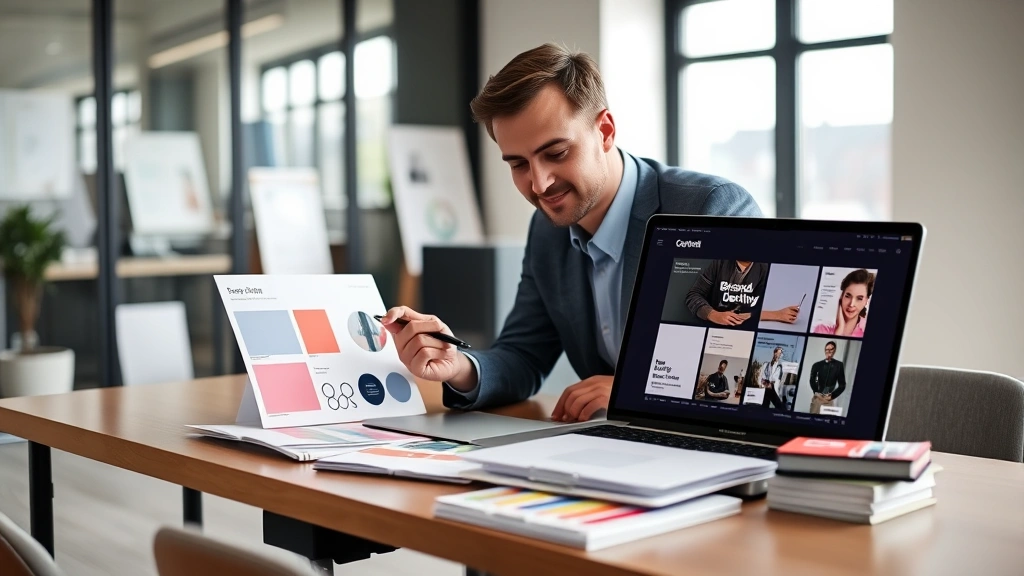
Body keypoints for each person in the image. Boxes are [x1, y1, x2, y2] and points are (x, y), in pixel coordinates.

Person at [379, 43, 762, 423]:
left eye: (556, 153)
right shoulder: (548, 231)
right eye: (518, 164)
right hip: (608, 447)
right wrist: (458, 364)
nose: (540, 184)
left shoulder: (711, 208)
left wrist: (635, 389)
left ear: (606, 131)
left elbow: (747, 355)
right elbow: (523, 355)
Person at [684, 260, 768, 328]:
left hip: (746, 330)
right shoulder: (719, 263)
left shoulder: (765, 269)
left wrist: (751, 315)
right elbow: (694, 294)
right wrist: (712, 314)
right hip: (714, 327)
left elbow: (767, 306)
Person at [812, 269, 874, 337]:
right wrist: (839, 329)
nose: (851, 304)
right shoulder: (821, 329)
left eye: (859, 298)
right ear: (841, 295)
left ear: (866, 301)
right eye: (848, 296)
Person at [808, 341, 847, 414]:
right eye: (826, 349)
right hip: (818, 397)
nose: (828, 351)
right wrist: (816, 392)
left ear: (834, 350)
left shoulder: (839, 365)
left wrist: (832, 396)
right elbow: (812, 380)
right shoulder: (817, 365)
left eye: (831, 349)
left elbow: (842, 385)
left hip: (829, 399)